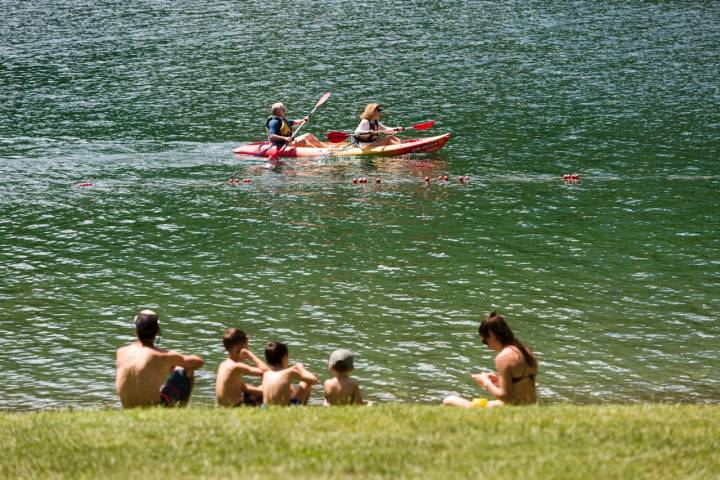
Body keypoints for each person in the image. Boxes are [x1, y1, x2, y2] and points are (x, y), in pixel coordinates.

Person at [443, 310, 538, 408]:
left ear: (493, 336)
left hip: (512, 409)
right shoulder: (526, 351)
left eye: (485, 341)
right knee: (481, 403)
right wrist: (498, 380)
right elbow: (522, 385)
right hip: (528, 406)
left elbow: (506, 398)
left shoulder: (504, 357)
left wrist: (485, 382)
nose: (486, 345)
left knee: (449, 400)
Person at [115, 309, 205, 408]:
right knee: (183, 370)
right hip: (154, 408)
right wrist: (173, 365)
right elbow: (198, 362)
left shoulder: (121, 352)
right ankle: (182, 410)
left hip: (127, 408)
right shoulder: (161, 356)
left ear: (136, 331)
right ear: (157, 332)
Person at [215, 328, 269, 407]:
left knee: (263, 388)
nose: (248, 347)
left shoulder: (223, 365)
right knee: (271, 385)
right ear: (241, 347)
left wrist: (264, 391)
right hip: (236, 406)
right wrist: (250, 355)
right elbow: (267, 372)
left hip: (224, 406)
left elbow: (244, 388)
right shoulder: (235, 366)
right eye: (247, 344)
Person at [261, 341, 318, 406]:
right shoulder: (289, 372)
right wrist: (301, 368)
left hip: (265, 408)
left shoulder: (266, 374)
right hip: (283, 409)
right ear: (284, 357)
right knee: (305, 383)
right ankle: (301, 409)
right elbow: (314, 380)